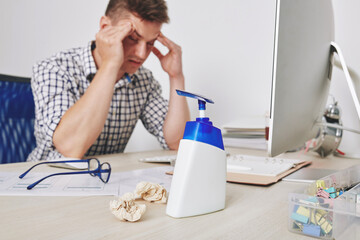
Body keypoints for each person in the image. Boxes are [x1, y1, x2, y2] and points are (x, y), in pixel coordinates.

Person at [27, 0, 190, 161]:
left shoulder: (143, 80)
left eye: (150, 43)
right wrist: (111, 63)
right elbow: (71, 147)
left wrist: (176, 76)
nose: (141, 53)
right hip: (45, 179)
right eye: (132, 38)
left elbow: (177, 143)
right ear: (105, 27)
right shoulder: (54, 69)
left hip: (103, 181)